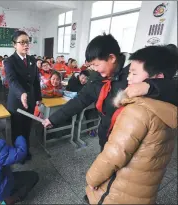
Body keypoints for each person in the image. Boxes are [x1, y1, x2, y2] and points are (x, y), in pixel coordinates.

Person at [42, 34, 178, 152]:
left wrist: (150, 86)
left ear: (112, 58)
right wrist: (53, 119)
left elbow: (170, 88)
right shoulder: (96, 77)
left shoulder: (134, 74)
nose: (93, 69)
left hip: (133, 139)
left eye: (96, 64)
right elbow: (80, 100)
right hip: (106, 134)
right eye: (91, 65)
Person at [85, 45, 177, 205]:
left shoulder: (137, 112)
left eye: (134, 73)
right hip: (144, 188)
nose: (128, 78)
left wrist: (92, 179)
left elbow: (114, 155)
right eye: (129, 72)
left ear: (158, 78)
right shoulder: (168, 107)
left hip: (119, 190)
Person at [4, 30, 42, 162]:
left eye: (27, 42)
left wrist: (38, 98)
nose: (26, 45)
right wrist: (22, 93)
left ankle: (26, 150)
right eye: (22, 42)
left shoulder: (32, 60)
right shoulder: (9, 61)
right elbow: (12, 81)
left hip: (30, 99)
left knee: (27, 127)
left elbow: (36, 81)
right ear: (14, 45)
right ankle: (18, 154)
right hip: (16, 100)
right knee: (17, 129)